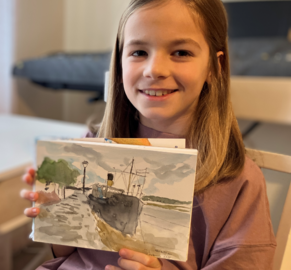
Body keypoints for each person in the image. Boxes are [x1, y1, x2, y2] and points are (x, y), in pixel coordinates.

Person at [20, 0, 276, 269]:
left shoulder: (239, 180)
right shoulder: (93, 144)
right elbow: (68, 252)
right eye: (139, 51)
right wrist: (54, 213)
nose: (155, 70)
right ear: (120, 65)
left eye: (181, 52)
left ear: (214, 67)